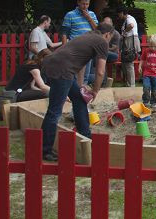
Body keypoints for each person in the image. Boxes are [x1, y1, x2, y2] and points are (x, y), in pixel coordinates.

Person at [39, 23, 114, 161]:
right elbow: (100, 72)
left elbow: (80, 64)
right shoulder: (102, 42)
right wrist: (95, 90)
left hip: (53, 64)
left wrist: (80, 86)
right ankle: (45, 150)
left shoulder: (88, 36)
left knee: (78, 99)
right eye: (110, 38)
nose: (109, 41)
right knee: (55, 110)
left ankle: (85, 135)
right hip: (62, 70)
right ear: (107, 34)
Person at [61, 0, 99, 84]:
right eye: (83, 4)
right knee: (75, 73)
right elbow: (64, 33)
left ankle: (82, 91)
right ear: (78, 2)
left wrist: (89, 18)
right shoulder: (70, 15)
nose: (85, 6)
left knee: (85, 74)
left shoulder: (92, 14)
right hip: (75, 47)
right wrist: (64, 47)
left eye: (87, 4)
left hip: (89, 47)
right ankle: (74, 91)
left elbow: (98, 30)